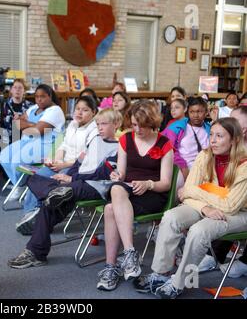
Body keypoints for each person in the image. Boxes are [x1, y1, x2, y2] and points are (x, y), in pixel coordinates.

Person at [134, 117, 247, 299]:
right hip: (207, 207)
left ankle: (178, 283)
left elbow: (230, 205)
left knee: (199, 230)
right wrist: (204, 207)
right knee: (171, 216)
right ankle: (160, 273)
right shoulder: (205, 155)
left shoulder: (244, 165)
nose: (213, 140)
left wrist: (197, 190)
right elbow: (186, 193)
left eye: (220, 136)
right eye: (211, 135)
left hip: (240, 214)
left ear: (234, 140)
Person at [8, 108, 122, 268]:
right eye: (98, 124)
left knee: (52, 201)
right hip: (75, 185)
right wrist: (68, 177)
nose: (100, 128)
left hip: (95, 188)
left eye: (104, 124)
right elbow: (79, 163)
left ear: (116, 124)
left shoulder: (119, 148)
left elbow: (101, 174)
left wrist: (71, 178)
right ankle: (54, 193)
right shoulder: (94, 140)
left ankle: (36, 252)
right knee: (33, 179)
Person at [96, 100, 174, 292]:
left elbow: (166, 183)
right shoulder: (126, 139)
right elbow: (122, 174)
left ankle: (111, 267)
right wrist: (117, 175)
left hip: (152, 193)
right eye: (134, 124)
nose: (137, 129)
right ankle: (129, 253)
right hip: (127, 191)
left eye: (142, 125)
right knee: (116, 188)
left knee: (110, 208)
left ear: (152, 122)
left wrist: (148, 184)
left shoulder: (164, 143)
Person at [17, 95, 98, 234]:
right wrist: (57, 161)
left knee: (54, 182)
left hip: (77, 168)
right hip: (63, 163)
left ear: (93, 113)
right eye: (77, 109)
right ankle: (30, 214)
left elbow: (87, 159)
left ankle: (41, 216)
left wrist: (63, 165)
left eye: (84, 110)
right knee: (37, 177)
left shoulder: (94, 130)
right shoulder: (72, 125)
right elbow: (63, 146)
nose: (79, 112)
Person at [198, 106, 247, 277]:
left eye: (234, 122)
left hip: (240, 206)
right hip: (227, 202)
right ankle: (214, 255)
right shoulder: (223, 148)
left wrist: (204, 190)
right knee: (220, 210)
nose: (228, 124)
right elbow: (214, 185)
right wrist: (204, 190)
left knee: (229, 210)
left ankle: (245, 261)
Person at [0, 84, 65, 190]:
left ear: (50, 96)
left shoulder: (55, 110)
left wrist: (28, 125)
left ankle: (19, 187)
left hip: (46, 145)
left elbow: (37, 131)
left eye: (42, 96)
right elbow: (18, 124)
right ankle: (21, 184)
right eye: (37, 97)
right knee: (3, 157)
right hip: (27, 141)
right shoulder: (34, 108)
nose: (39, 99)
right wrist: (33, 125)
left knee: (17, 161)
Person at [162, 97, 210, 183]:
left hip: (204, 168)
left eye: (199, 111)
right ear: (188, 112)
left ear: (206, 112)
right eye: (192, 112)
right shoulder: (176, 127)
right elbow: (169, 149)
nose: (195, 115)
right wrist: (182, 166)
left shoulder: (210, 129)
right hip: (181, 167)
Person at [0, 78, 32, 145]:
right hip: (5, 141)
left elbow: (34, 125)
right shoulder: (3, 105)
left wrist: (21, 120)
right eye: (15, 87)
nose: (17, 90)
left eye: (20, 88)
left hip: (24, 141)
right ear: (11, 90)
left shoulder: (30, 107)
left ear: (24, 91)